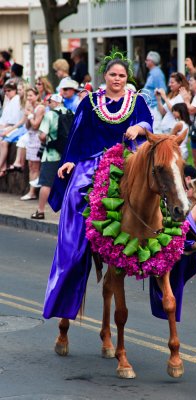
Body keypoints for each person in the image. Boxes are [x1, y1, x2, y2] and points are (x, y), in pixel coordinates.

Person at [43, 51, 154, 319]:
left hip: (126, 160)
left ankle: (180, 238)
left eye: (122, 75)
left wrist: (138, 128)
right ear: (105, 76)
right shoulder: (91, 102)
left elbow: (149, 124)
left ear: (128, 78)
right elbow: (76, 135)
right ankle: (72, 250)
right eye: (113, 74)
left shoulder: (136, 101)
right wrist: (69, 161)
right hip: (92, 162)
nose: (117, 79)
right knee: (75, 196)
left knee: (162, 191)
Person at [31, 94, 67, 220]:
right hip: (66, 156)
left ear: (54, 102)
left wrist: (46, 140)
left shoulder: (50, 115)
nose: (48, 103)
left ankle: (40, 211)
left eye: (49, 101)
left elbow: (42, 135)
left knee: (46, 183)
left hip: (51, 154)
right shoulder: (70, 113)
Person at [142, 51, 167, 133]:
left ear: (151, 61)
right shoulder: (153, 73)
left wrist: (161, 107)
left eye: (147, 60)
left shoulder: (157, 73)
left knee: (155, 131)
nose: (145, 61)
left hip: (154, 108)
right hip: (150, 107)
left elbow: (162, 89)